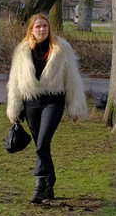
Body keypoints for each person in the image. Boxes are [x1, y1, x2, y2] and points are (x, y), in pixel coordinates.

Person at [5, 13, 88, 204]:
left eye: (45, 26)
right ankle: (50, 184)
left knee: (42, 143)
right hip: (31, 102)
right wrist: (14, 108)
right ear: (31, 30)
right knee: (41, 146)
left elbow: (72, 79)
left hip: (54, 100)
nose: (42, 29)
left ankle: (39, 187)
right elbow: (14, 82)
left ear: (49, 28)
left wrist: (75, 106)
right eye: (38, 27)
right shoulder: (22, 50)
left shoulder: (61, 48)